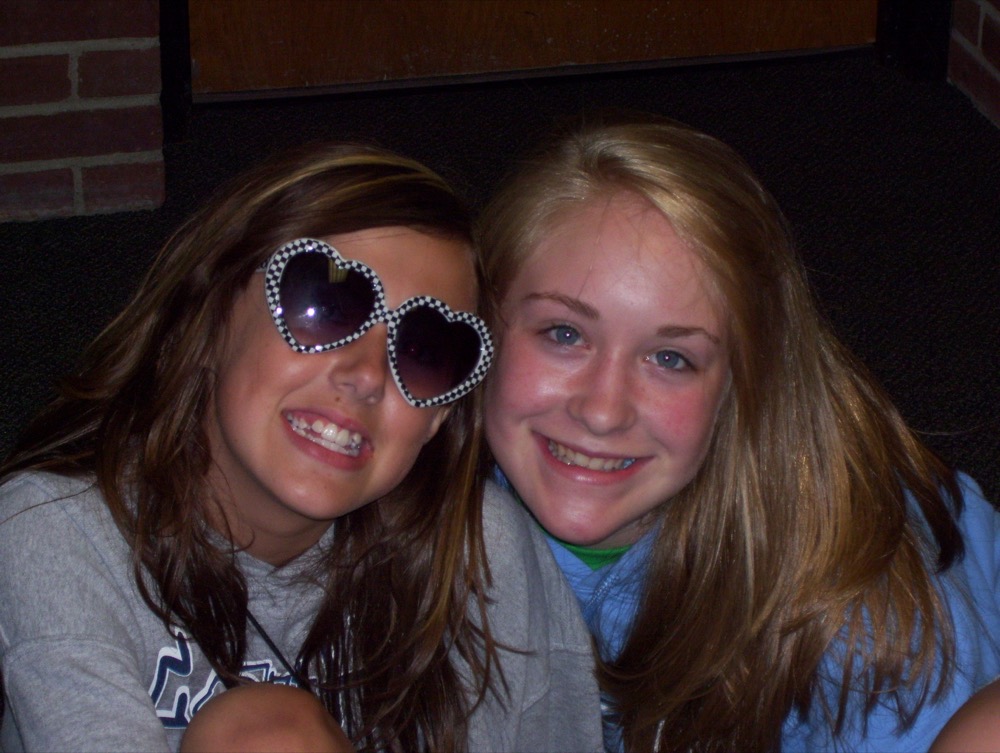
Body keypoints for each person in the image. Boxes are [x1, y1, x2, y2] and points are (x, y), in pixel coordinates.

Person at [0, 142, 602, 752]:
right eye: (325, 307)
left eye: (426, 352)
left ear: (438, 417)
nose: (367, 375)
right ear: (211, 314)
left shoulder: (476, 551)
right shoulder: (56, 532)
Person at [478, 114, 1000, 752]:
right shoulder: (454, 485)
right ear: (485, 329)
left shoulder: (852, 628)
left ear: (742, 386)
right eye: (564, 334)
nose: (603, 411)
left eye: (671, 358)